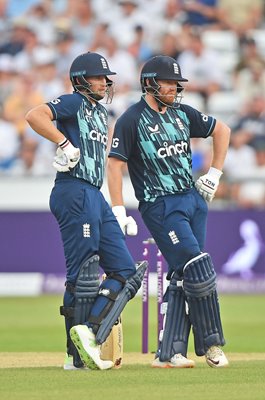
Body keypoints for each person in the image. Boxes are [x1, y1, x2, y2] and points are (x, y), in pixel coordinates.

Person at [25, 51, 147, 371]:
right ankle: (75, 356)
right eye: (98, 77)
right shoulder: (74, 101)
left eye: (106, 78)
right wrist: (63, 144)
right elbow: (35, 115)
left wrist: (117, 208)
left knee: (125, 272)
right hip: (73, 189)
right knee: (83, 276)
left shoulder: (98, 113)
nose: (105, 83)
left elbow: (108, 163)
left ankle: (88, 334)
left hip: (95, 193)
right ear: (81, 80)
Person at [107, 55, 230, 368]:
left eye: (177, 84)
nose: (175, 88)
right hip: (160, 204)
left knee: (182, 275)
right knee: (197, 268)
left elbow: (223, 130)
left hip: (192, 199)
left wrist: (214, 173)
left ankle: (170, 352)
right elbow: (115, 164)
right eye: (169, 83)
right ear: (150, 83)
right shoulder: (131, 119)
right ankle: (213, 344)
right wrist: (119, 209)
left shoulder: (181, 113)